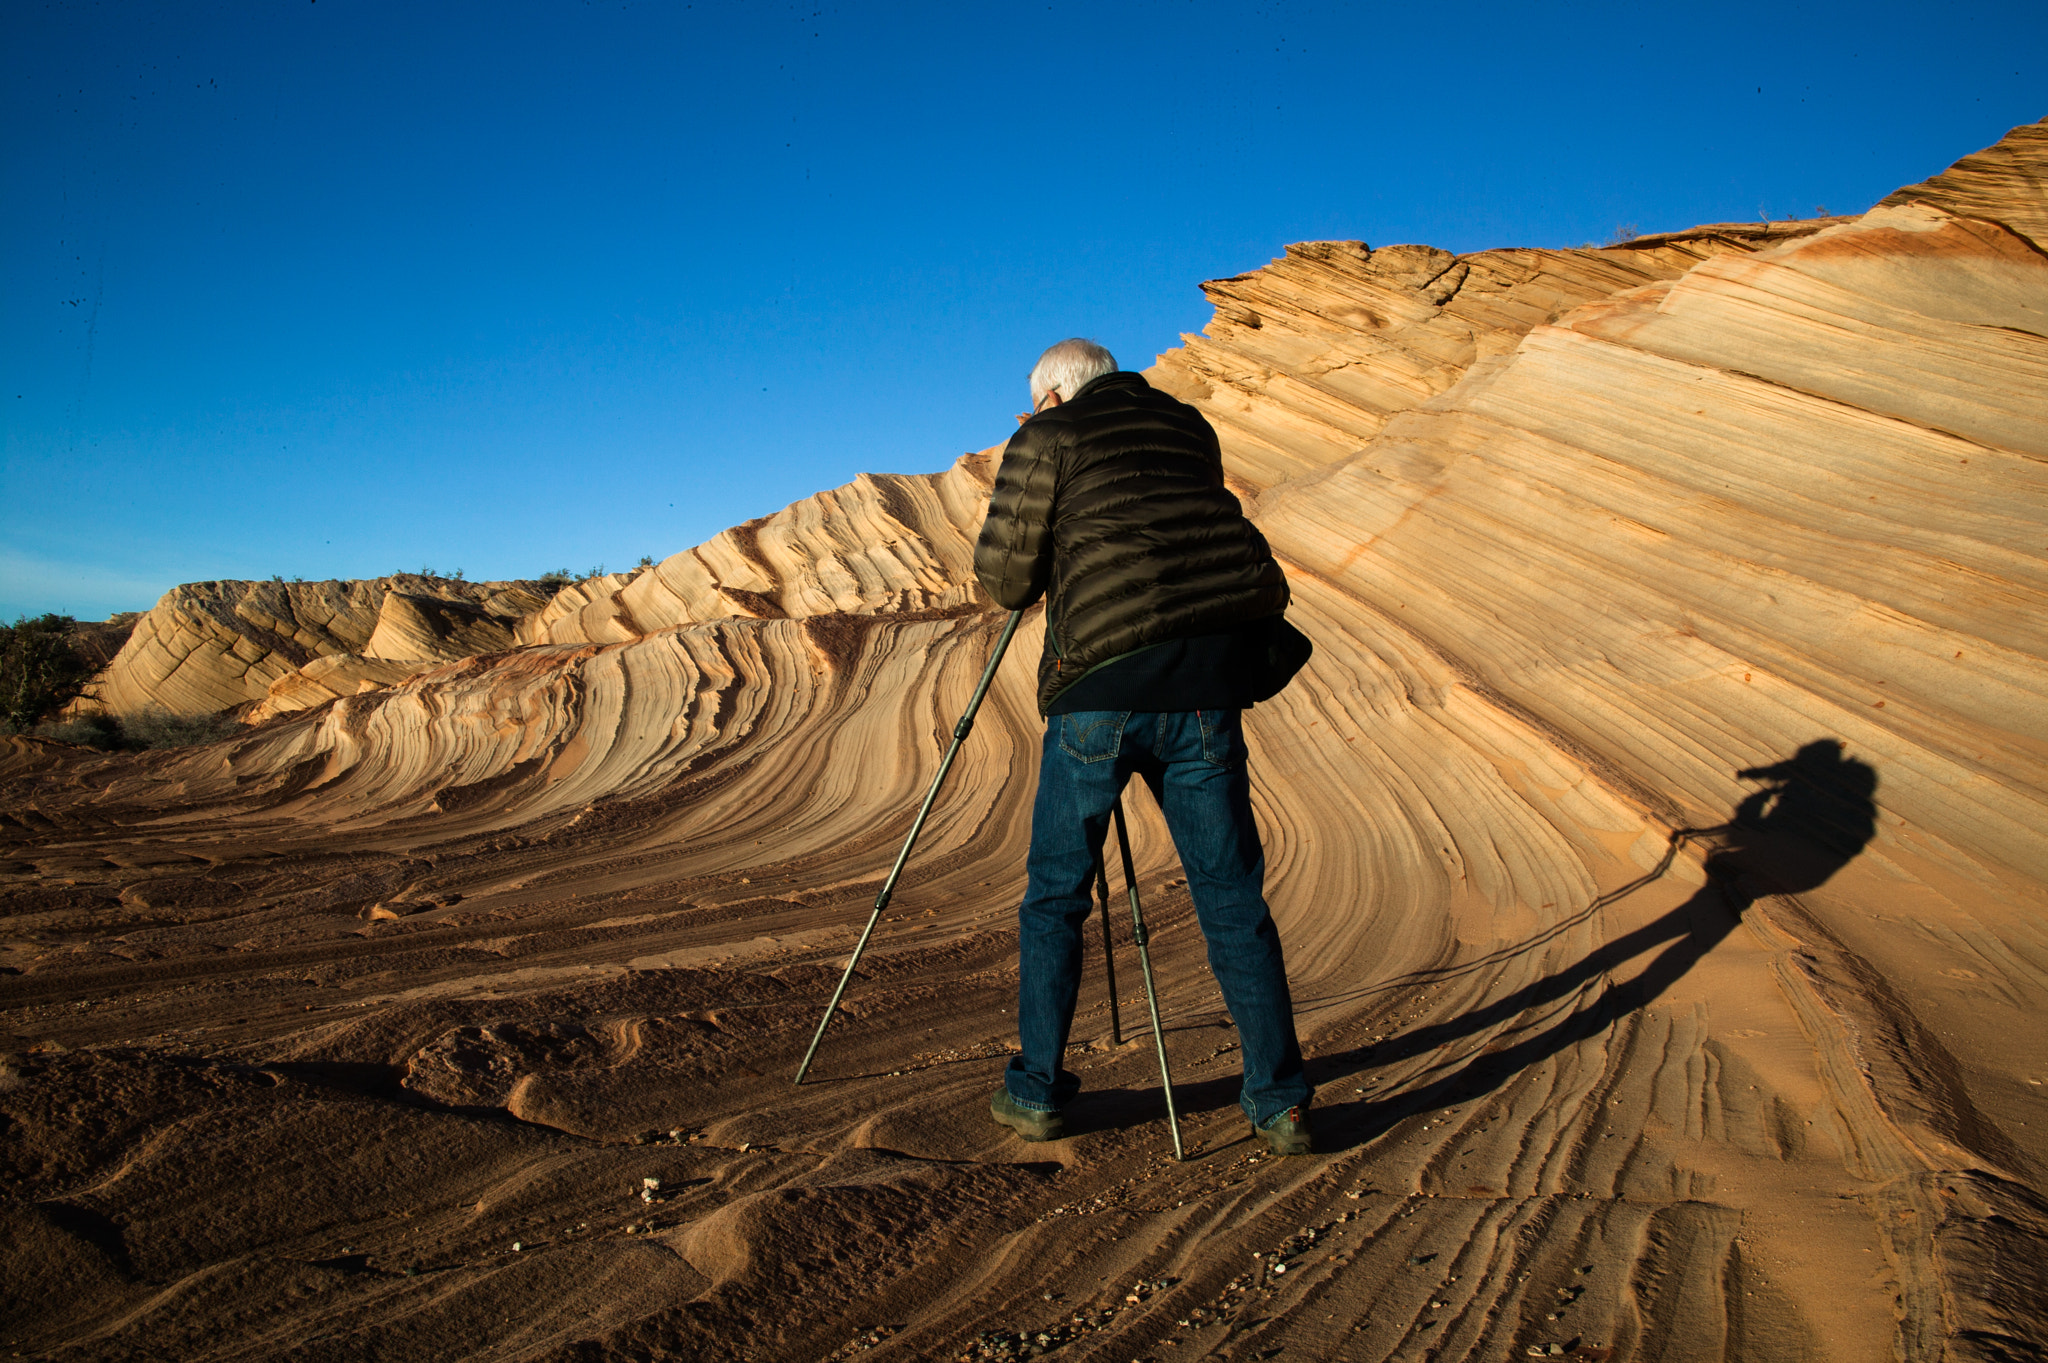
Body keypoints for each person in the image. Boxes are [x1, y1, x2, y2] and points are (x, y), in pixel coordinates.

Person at [974, 337, 1314, 1156]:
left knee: (1056, 893)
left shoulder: (1046, 437)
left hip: (1099, 693)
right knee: (1232, 897)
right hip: (1202, 685)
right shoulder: (1188, 427)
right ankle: (1281, 1101)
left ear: (1052, 396)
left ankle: (1038, 1090)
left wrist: (1037, 458)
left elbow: (1007, 580)